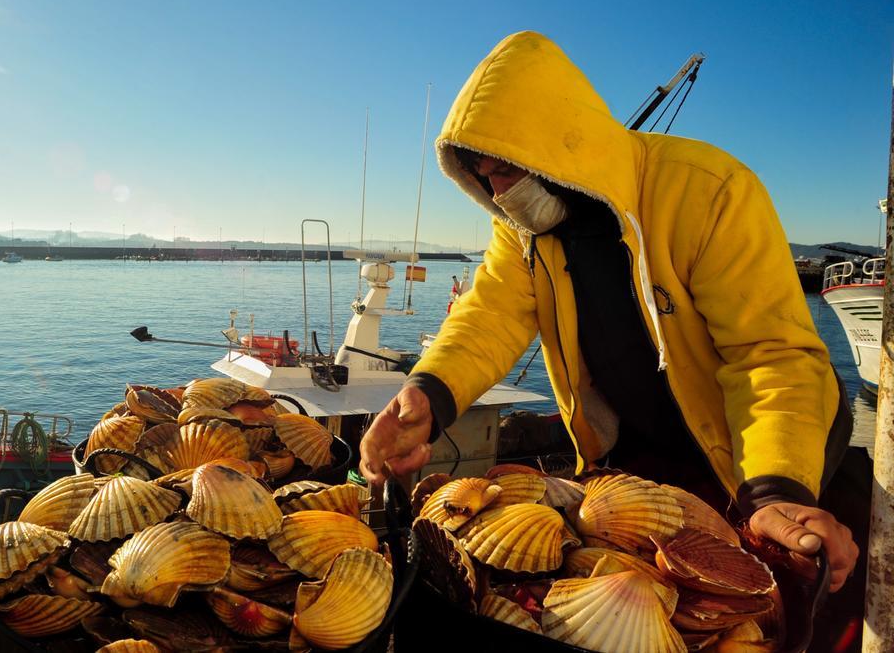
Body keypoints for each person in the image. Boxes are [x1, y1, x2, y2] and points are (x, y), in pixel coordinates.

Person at [359, 31, 866, 648]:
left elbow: (770, 356)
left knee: (764, 615)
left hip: (766, 453)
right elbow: (489, 313)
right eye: (484, 178)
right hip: (639, 457)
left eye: (507, 170)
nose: (498, 194)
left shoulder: (708, 190)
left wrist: (777, 488)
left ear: (557, 149)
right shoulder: (524, 228)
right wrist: (428, 394)